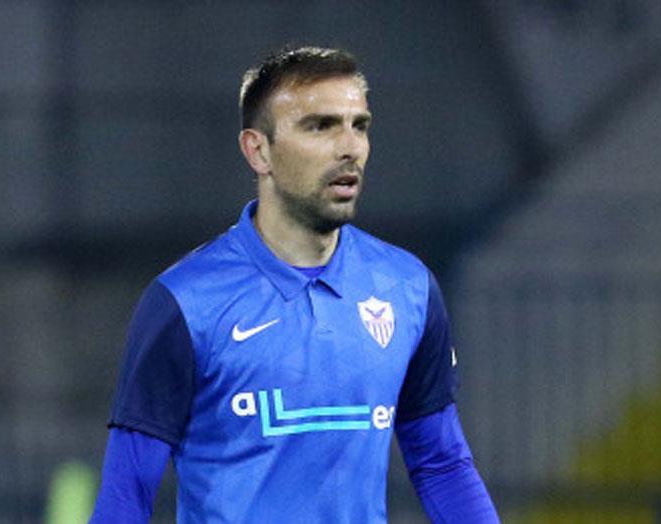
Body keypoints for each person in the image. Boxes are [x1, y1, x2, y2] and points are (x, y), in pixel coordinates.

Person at [90, 46, 499, 523]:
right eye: (320, 126)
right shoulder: (185, 303)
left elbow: (442, 464)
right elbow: (127, 493)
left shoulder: (406, 288)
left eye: (359, 125)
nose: (349, 147)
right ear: (258, 150)